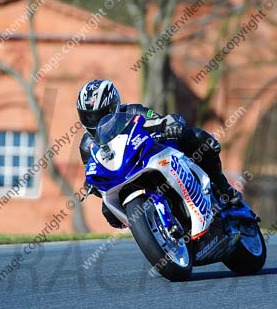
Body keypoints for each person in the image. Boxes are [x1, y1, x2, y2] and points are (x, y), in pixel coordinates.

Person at [76, 79, 242, 229]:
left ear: (114, 106)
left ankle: (223, 188)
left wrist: (169, 124)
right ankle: (151, 229)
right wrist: (92, 185)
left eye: (100, 114)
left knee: (197, 138)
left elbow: (156, 119)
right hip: (123, 178)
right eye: (89, 117)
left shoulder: (133, 111)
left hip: (150, 157)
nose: (96, 121)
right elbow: (96, 172)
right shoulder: (86, 146)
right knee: (108, 211)